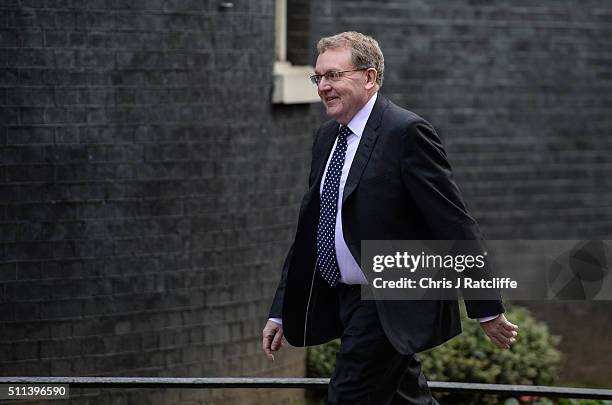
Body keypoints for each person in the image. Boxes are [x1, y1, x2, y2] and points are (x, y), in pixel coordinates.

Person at [262, 31, 518, 405]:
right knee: (404, 398)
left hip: (390, 297)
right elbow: (311, 232)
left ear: (370, 77)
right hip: (348, 298)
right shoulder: (325, 138)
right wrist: (282, 310)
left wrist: (485, 306)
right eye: (319, 77)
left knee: (347, 396)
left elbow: (454, 223)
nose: (324, 87)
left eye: (335, 75)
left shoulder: (406, 133)